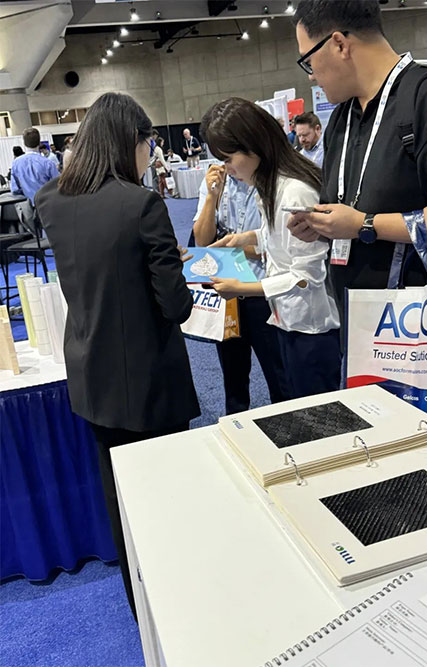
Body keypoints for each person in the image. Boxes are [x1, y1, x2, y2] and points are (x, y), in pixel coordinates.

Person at [288, 0, 427, 445]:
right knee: (371, 454)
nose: (311, 75)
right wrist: (323, 225)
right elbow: (348, 206)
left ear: (339, 44)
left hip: (422, 333)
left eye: (309, 60)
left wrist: (365, 225)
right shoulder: (342, 117)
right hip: (363, 327)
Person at [35, 92, 200, 620]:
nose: (150, 155)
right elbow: (174, 306)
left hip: (91, 374)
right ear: (132, 141)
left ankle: (142, 613)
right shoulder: (140, 204)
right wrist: (172, 269)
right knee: (167, 504)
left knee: (121, 504)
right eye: (148, 143)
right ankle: (179, 615)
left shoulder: (50, 199)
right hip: (149, 382)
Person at [201, 97, 341, 400]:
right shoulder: (271, 186)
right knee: (294, 402)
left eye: (229, 158)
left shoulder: (294, 192)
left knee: (316, 411)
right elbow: (279, 240)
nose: (227, 168)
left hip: (311, 327)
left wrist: (243, 288)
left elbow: (305, 276)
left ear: (254, 146)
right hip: (288, 319)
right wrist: (244, 239)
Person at [193, 163, 288, 413]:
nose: (227, 162)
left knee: (280, 378)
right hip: (227, 295)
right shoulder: (215, 180)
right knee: (233, 381)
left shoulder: (271, 180)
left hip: (263, 291)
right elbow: (202, 240)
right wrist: (211, 196)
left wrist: (231, 245)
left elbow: (278, 246)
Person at [10, 127, 59, 204]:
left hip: (27, 206)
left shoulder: (16, 164)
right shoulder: (48, 163)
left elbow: (15, 190)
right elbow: (58, 185)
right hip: (47, 204)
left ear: (24, 143)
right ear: (39, 142)